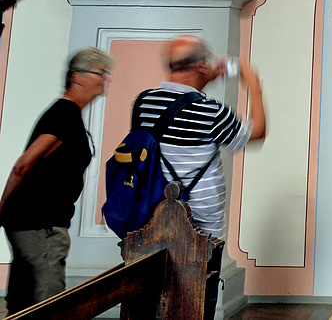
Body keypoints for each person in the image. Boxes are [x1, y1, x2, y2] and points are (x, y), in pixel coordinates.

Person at [132, 35, 266, 319]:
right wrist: (253, 85)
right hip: (201, 227)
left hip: (151, 219)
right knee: (196, 302)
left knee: (153, 299)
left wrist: (201, 77)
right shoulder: (209, 111)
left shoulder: (143, 102)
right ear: (202, 66)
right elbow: (255, 134)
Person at [0, 48, 112, 313]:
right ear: (78, 77)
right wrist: (2, 209)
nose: (105, 79)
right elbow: (23, 165)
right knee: (48, 305)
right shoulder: (65, 113)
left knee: (23, 301)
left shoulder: (66, 113)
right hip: (41, 225)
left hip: (33, 222)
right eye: (100, 73)